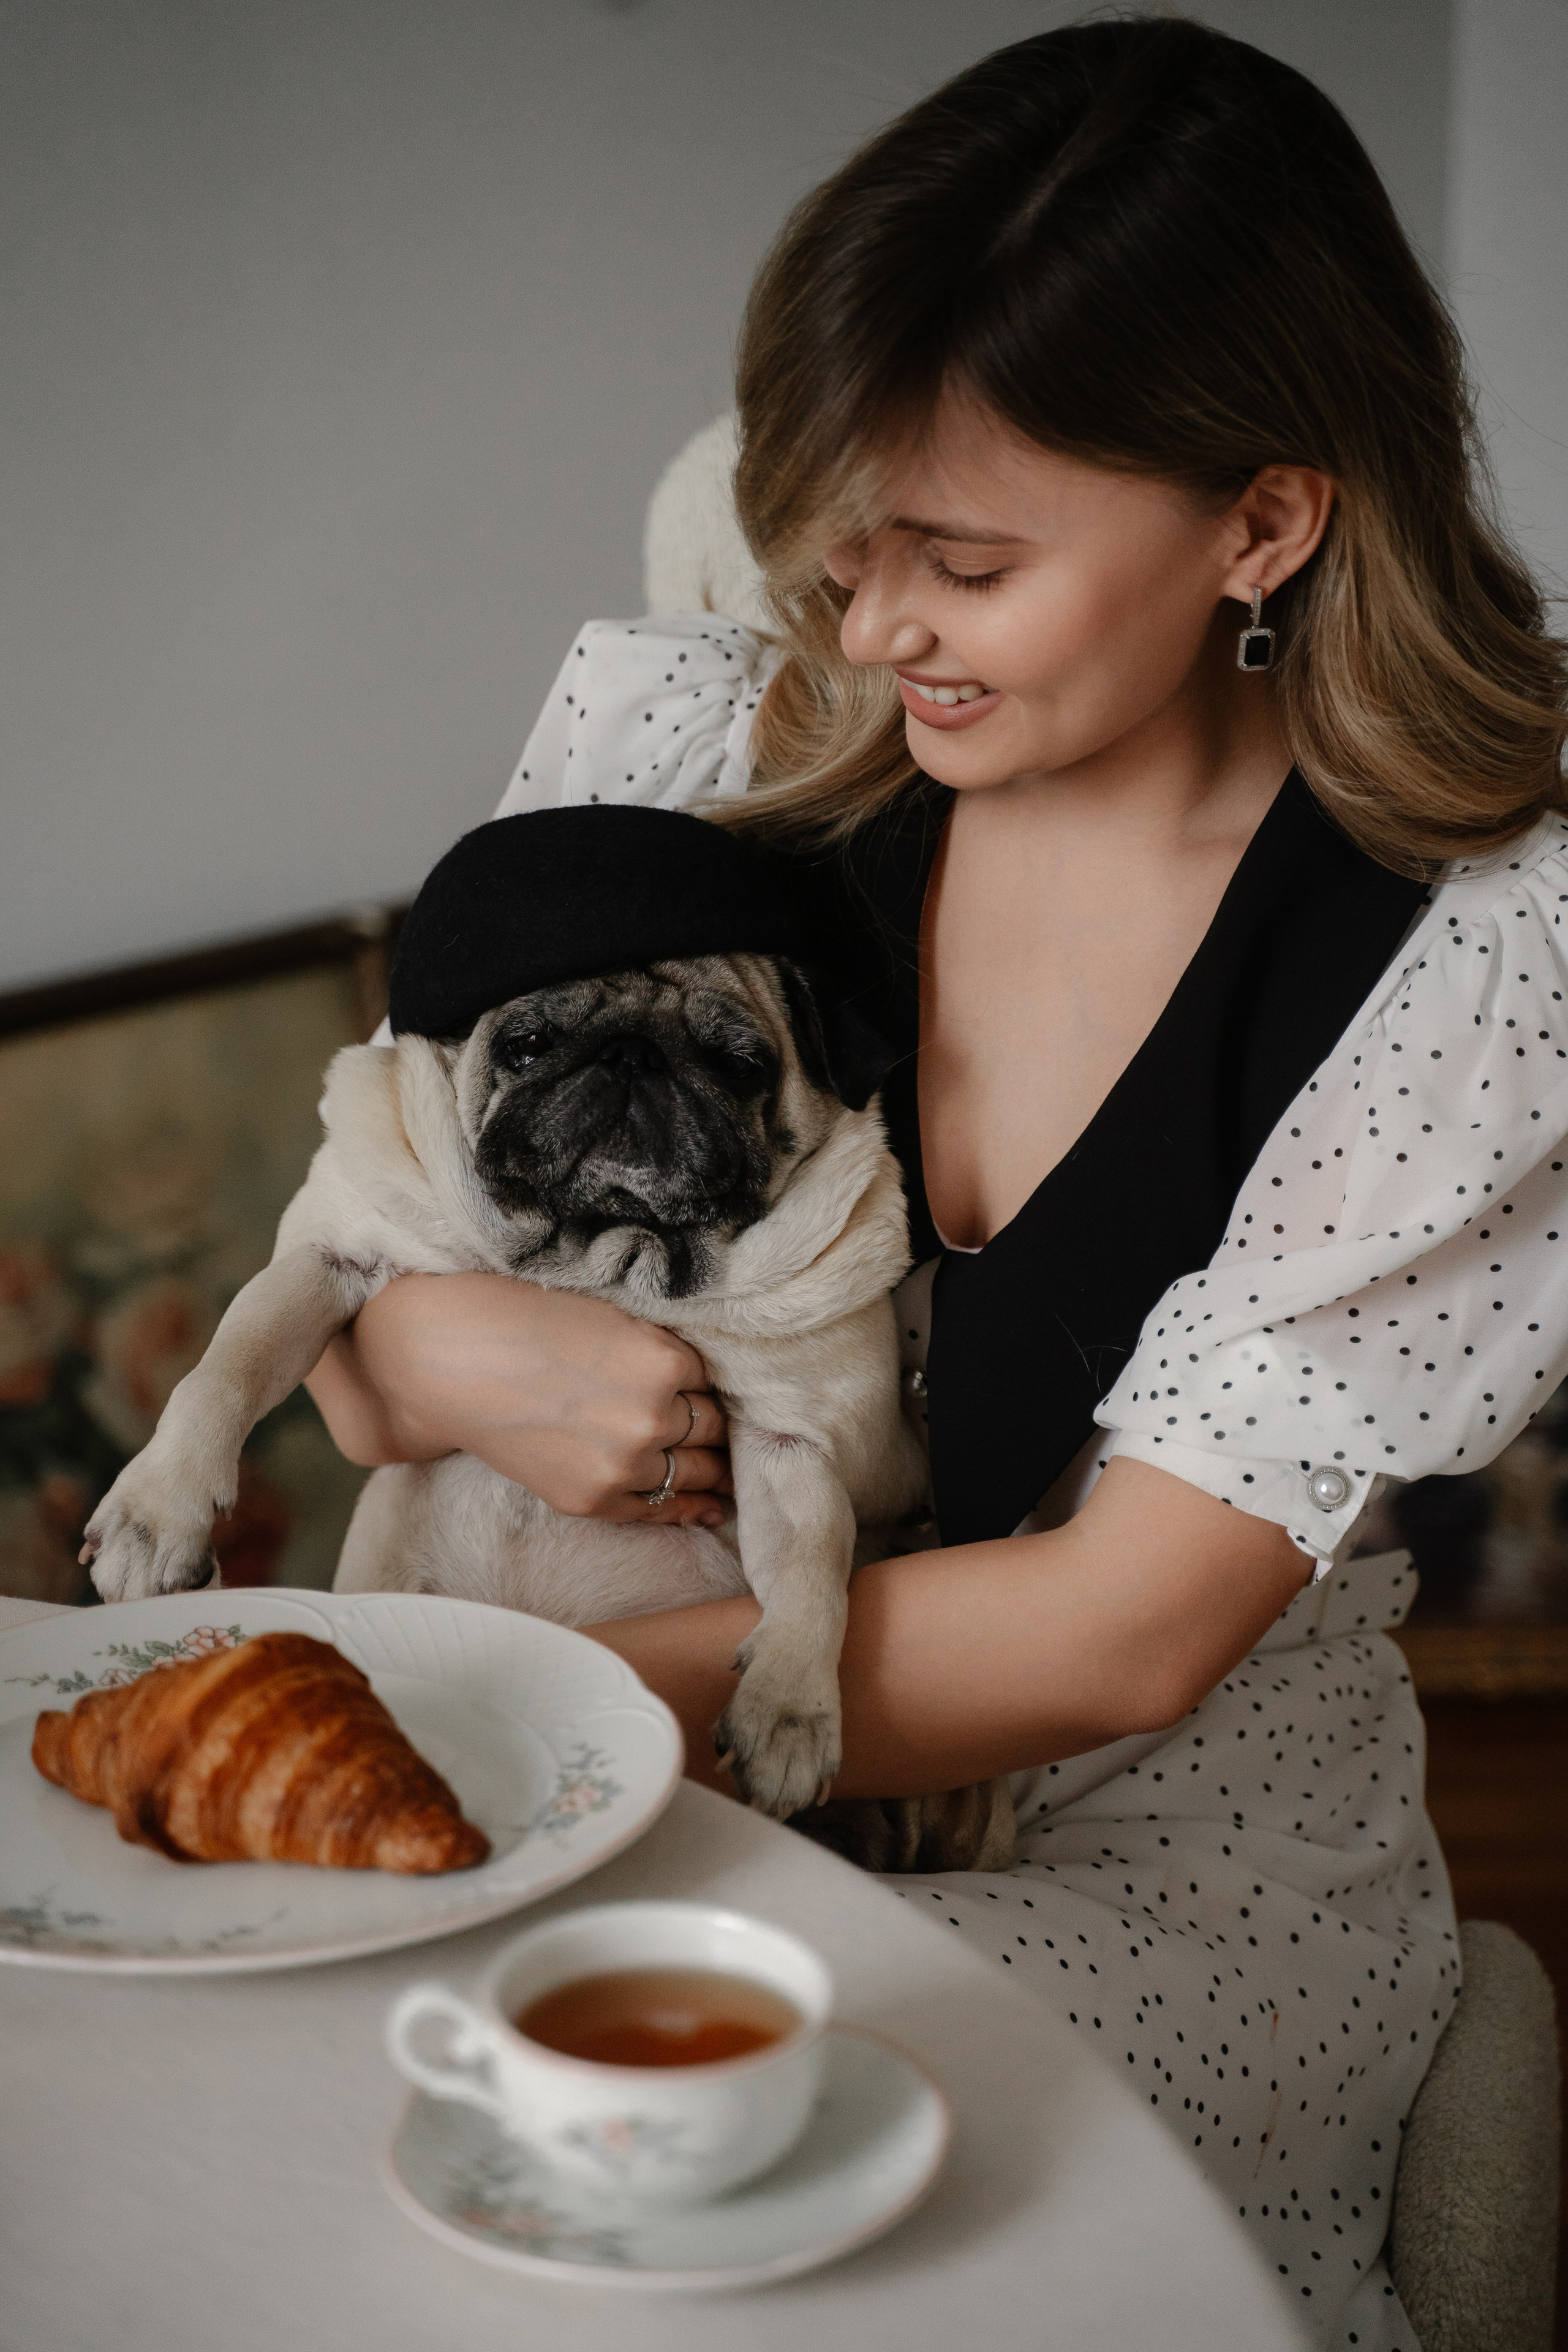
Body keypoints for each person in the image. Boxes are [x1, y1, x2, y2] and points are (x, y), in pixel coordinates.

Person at [306, 22, 1568, 2346]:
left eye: (963, 562)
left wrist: (529, 1722)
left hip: (1143, 1847)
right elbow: (377, 1306)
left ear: (1264, 523)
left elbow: (1121, 1626)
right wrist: (417, 1346)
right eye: (838, 536)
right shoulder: (714, 745)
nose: (872, 629)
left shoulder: (1472, 951)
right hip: (644, 1742)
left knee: (673, 2218)